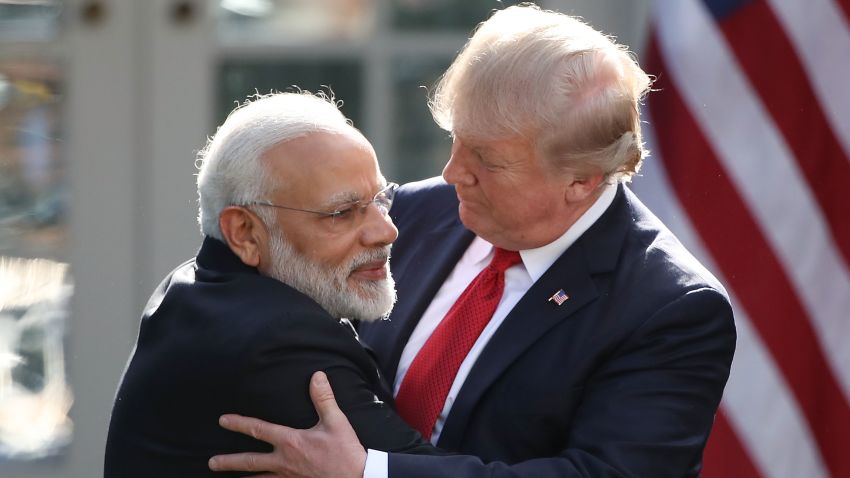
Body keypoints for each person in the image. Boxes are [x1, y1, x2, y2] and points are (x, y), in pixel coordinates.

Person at [208, 5, 737, 478]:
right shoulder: (416, 212)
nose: (453, 172)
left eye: (486, 160)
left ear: (582, 180)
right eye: (455, 140)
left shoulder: (671, 310)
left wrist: (371, 474)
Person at [103, 92, 438, 477]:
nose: (387, 231)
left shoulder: (193, 285)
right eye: (342, 213)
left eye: (381, 199)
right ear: (244, 232)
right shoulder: (279, 341)